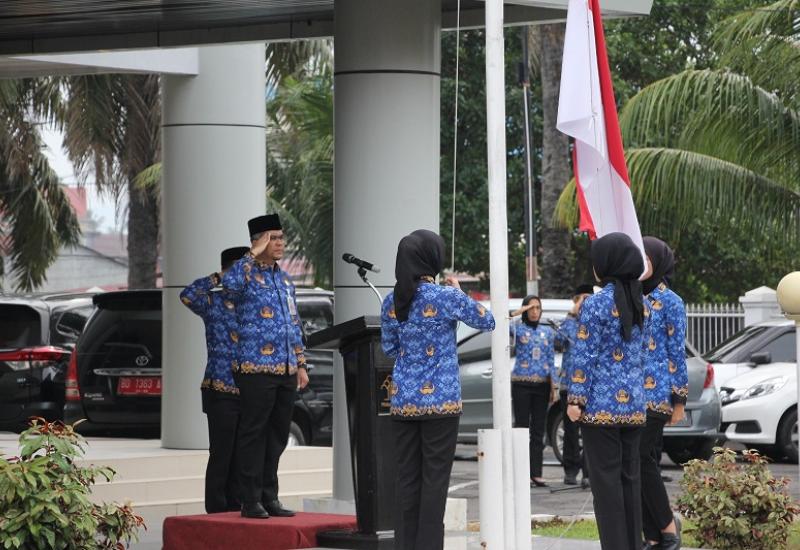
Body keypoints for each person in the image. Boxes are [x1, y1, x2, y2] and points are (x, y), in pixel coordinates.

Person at [381, 229, 495, 550]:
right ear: (432, 259)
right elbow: (488, 321)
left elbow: (389, 348)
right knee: (434, 484)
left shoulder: (393, 300)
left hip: (404, 403)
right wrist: (459, 294)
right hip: (441, 405)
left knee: (407, 482)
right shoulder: (446, 297)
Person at [222, 214, 309, 519]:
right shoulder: (243, 274)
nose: (280, 243)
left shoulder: (284, 280)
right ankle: (249, 499)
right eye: (273, 238)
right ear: (258, 242)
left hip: (285, 370)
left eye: (282, 238)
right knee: (253, 434)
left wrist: (300, 363)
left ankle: (269, 496)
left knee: (277, 435)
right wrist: (250, 255)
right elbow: (228, 288)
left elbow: (293, 322)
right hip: (255, 369)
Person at [566, 232, 648, 550]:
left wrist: (575, 399)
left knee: (606, 486)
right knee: (630, 482)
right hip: (635, 408)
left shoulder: (597, 304)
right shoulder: (642, 304)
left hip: (600, 407)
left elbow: (585, 355)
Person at [180, 246, 250, 513]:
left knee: (242, 457)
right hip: (220, 388)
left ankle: (237, 507)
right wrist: (218, 277)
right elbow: (187, 295)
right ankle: (217, 511)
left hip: (250, 388)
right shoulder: (213, 302)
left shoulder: (253, 304)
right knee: (222, 454)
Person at [640, 236, 687, 550]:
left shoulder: (671, 301)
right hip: (627, 396)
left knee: (642, 459)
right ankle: (653, 534)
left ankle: (669, 528)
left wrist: (679, 399)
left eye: (646, 258)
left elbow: (676, 352)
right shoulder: (629, 296)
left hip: (657, 394)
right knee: (638, 463)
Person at [509, 295, 556, 487]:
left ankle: (536, 473)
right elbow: (503, 324)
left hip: (542, 385)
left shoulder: (548, 331)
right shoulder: (518, 328)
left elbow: (551, 359)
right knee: (521, 429)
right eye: (531, 308)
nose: (535, 312)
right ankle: (521, 473)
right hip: (521, 383)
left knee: (538, 430)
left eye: (538, 308)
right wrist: (520, 311)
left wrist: (554, 385)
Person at [555, 283, 594, 487]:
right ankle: (570, 470)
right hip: (568, 385)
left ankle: (589, 473)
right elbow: (558, 343)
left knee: (590, 431)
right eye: (581, 299)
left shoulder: (595, 321)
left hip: (590, 386)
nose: (585, 303)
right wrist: (572, 314)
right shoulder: (569, 323)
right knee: (570, 430)